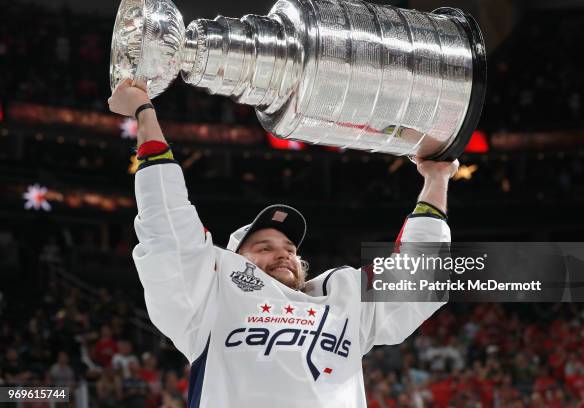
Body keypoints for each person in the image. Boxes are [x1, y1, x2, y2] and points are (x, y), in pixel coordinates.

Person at [108, 79, 459, 408]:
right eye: (264, 247)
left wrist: (437, 178)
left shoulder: (342, 300)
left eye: (290, 249)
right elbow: (169, 227)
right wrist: (145, 113)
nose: (283, 254)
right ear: (235, 259)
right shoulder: (209, 303)